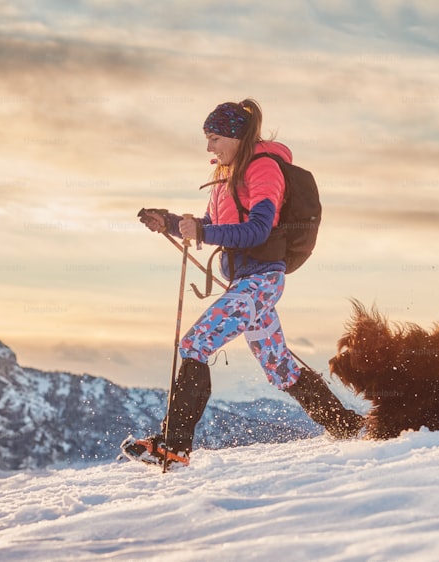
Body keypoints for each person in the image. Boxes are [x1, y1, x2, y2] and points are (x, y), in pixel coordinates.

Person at [124, 99, 362, 468]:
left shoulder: (264, 169)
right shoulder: (227, 175)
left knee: (195, 344)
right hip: (246, 282)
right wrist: (168, 222)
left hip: (261, 281)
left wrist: (201, 229)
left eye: (215, 137)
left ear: (237, 136)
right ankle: (347, 426)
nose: (209, 147)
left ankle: (175, 444)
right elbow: (211, 224)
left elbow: (257, 229)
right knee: (280, 367)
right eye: (207, 138)